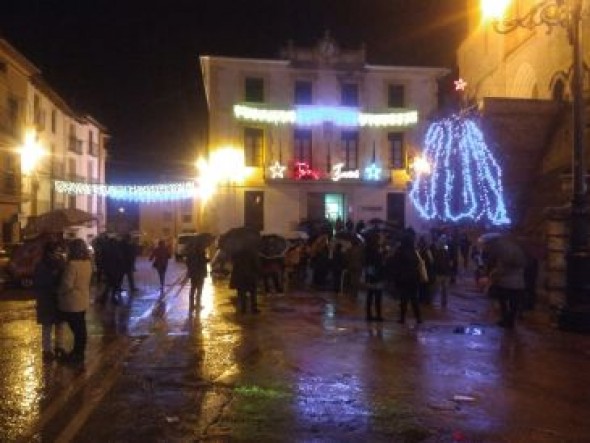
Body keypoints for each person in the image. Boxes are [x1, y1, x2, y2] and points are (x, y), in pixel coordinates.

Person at [57, 238, 93, 363]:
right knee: (80, 329)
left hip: (72, 302)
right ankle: (78, 353)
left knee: (77, 330)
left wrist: (59, 292)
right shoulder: (87, 263)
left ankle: (77, 354)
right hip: (82, 300)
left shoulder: (72, 265)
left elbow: (67, 284)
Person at [33, 241, 66, 362]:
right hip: (47, 299)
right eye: (56, 251)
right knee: (47, 326)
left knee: (60, 324)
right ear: (49, 252)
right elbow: (40, 282)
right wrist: (54, 279)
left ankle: (59, 347)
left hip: (57, 299)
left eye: (59, 250)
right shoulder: (42, 265)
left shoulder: (60, 262)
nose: (59, 253)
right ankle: (47, 350)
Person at [390, 230, 422, 325]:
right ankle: (418, 317)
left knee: (404, 299)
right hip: (413, 278)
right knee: (414, 299)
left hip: (404, 278)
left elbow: (395, 263)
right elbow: (417, 262)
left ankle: (402, 318)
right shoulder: (413, 251)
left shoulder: (400, 251)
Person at [230, 247, 261, 313]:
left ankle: (243, 308)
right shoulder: (253, 253)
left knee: (241, 293)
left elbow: (234, 263)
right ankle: (253, 308)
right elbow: (256, 265)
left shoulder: (236, 253)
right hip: (250, 275)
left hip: (240, 276)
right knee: (253, 293)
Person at [364, 235, 385, 321]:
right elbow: (380, 265)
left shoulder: (368, 252)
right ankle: (378, 315)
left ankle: (369, 315)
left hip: (370, 275)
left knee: (370, 295)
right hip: (377, 276)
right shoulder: (377, 253)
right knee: (377, 297)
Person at [185, 240, 209, 311]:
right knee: (199, 290)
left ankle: (192, 305)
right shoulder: (202, 254)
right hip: (200, 274)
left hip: (193, 274)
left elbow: (187, 262)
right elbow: (203, 262)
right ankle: (197, 304)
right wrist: (206, 260)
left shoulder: (191, 253)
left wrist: (190, 269)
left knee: (193, 289)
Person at [431, 236, 452, 308]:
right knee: (440, 289)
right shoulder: (443, 252)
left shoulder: (441, 252)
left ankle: (436, 301)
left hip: (442, 273)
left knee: (438, 289)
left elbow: (436, 263)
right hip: (443, 273)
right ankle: (442, 302)